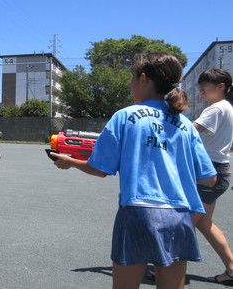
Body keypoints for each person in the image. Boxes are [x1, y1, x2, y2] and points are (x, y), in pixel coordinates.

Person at [50, 53, 216, 289]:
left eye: (132, 78)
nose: (130, 85)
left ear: (144, 79)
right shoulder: (186, 125)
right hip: (179, 216)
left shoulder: (125, 116)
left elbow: (99, 169)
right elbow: (209, 178)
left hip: (138, 212)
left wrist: (70, 161)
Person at [192, 68, 233, 285]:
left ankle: (163, 267)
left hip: (209, 173)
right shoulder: (226, 107)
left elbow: (188, 131)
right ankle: (232, 269)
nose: (200, 90)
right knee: (204, 223)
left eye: (205, 85)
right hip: (219, 171)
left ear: (220, 87)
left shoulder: (216, 109)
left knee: (183, 224)